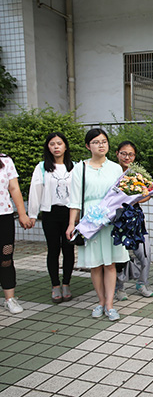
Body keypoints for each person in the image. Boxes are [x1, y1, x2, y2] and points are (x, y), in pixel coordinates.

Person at [66, 128, 130, 321]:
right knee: (95, 265)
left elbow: (121, 196)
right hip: (90, 221)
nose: (101, 145)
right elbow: (75, 199)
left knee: (110, 263)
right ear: (88, 146)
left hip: (110, 220)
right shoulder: (80, 168)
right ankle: (100, 301)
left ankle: (110, 304)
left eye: (104, 141)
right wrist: (71, 224)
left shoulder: (115, 168)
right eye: (96, 142)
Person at [28, 132, 75, 304]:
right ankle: (55, 285)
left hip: (70, 214)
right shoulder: (42, 167)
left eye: (59, 143)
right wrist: (32, 214)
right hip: (50, 213)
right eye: (52, 144)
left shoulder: (74, 167)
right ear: (48, 147)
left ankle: (67, 284)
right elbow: (35, 191)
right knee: (53, 249)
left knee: (69, 249)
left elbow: (79, 192)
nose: (56, 147)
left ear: (65, 146)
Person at [113, 141, 153, 300]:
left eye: (130, 154)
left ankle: (142, 282)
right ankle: (119, 287)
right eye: (123, 153)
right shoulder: (112, 172)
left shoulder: (137, 173)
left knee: (145, 252)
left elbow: (148, 192)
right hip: (118, 218)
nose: (127, 157)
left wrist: (135, 200)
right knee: (120, 254)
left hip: (135, 217)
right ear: (117, 153)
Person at [1, 153, 34, 314]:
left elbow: (14, 188)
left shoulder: (5, 161)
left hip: (4, 216)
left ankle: (9, 298)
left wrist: (22, 213)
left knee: (6, 257)